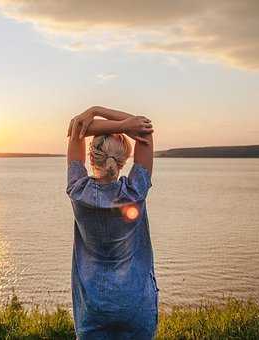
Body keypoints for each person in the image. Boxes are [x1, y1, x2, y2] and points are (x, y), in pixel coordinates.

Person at [66, 106, 158, 339]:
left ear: (91, 156)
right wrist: (116, 120)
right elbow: (144, 129)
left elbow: (77, 127)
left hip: (93, 307)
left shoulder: (78, 191)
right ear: (124, 160)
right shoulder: (134, 192)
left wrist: (94, 112)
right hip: (136, 304)